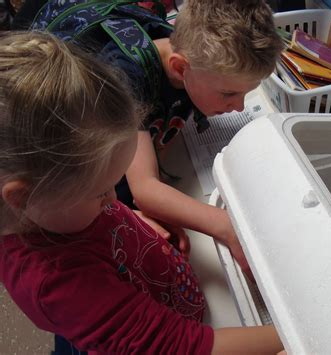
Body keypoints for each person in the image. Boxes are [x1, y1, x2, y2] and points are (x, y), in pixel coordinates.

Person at [0, 31, 283, 354]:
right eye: (102, 191)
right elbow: (180, 347)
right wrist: (297, 335)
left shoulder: (56, 209)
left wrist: (132, 220)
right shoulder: (57, 285)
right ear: (24, 197)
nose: (113, 201)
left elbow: (97, 213)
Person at [14, 0, 284, 277]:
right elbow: (144, 189)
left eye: (245, 93)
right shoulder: (125, 75)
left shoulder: (194, 62)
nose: (239, 107)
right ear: (180, 69)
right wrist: (229, 227)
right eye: (228, 94)